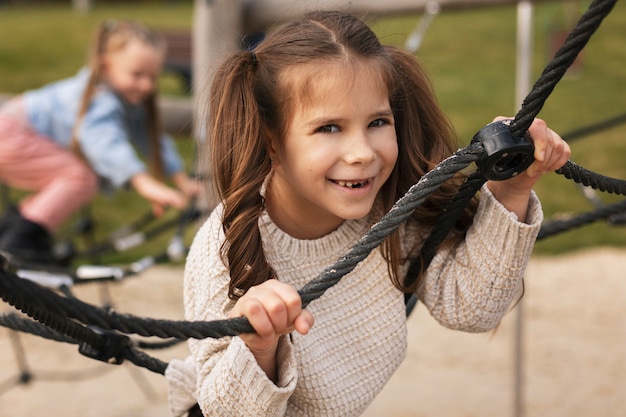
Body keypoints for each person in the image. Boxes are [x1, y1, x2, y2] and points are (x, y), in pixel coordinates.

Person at [165, 10, 570, 417]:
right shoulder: (225, 245)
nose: (362, 153)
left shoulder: (389, 212)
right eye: (329, 128)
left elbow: (470, 307)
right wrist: (259, 346)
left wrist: (511, 187)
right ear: (272, 141)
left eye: (377, 121)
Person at [0, 19, 199, 263]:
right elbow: (104, 143)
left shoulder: (125, 99)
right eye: (137, 75)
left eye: (153, 76)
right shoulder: (98, 98)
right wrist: (142, 182)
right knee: (80, 178)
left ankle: (15, 234)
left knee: (74, 180)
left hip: (11, 133)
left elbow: (151, 136)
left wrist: (180, 179)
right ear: (106, 66)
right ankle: (19, 241)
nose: (146, 85)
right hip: (10, 135)